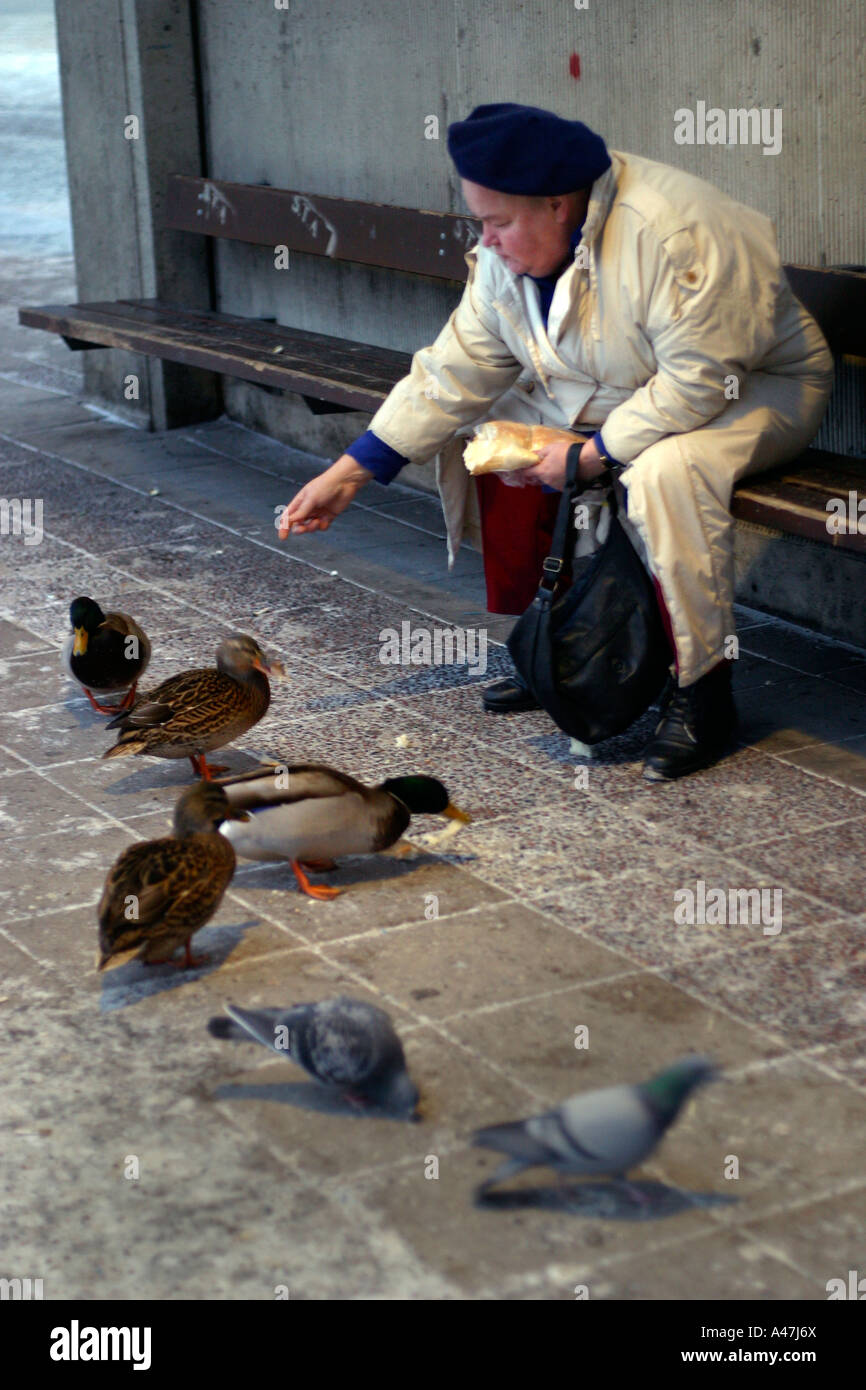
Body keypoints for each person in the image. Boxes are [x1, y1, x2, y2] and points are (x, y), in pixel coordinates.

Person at [278, 103, 833, 781]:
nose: (486, 241)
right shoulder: (508, 249)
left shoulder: (676, 230)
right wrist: (352, 470)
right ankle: (554, 647)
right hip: (627, 386)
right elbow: (459, 367)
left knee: (664, 471)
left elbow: (700, 380)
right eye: (479, 221)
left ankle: (701, 686)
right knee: (497, 430)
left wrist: (589, 454)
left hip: (752, 387)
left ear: (559, 205)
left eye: (499, 223)